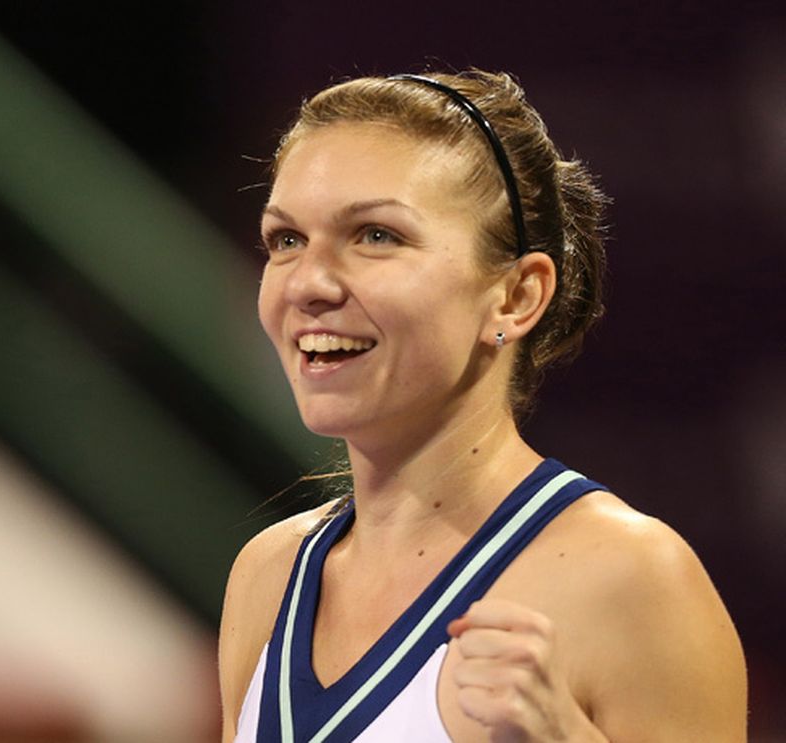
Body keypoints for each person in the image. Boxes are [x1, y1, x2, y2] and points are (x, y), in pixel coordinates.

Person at [218, 70, 747, 742]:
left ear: (517, 295)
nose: (310, 283)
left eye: (376, 235)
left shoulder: (633, 579)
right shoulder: (270, 575)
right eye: (286, 239)